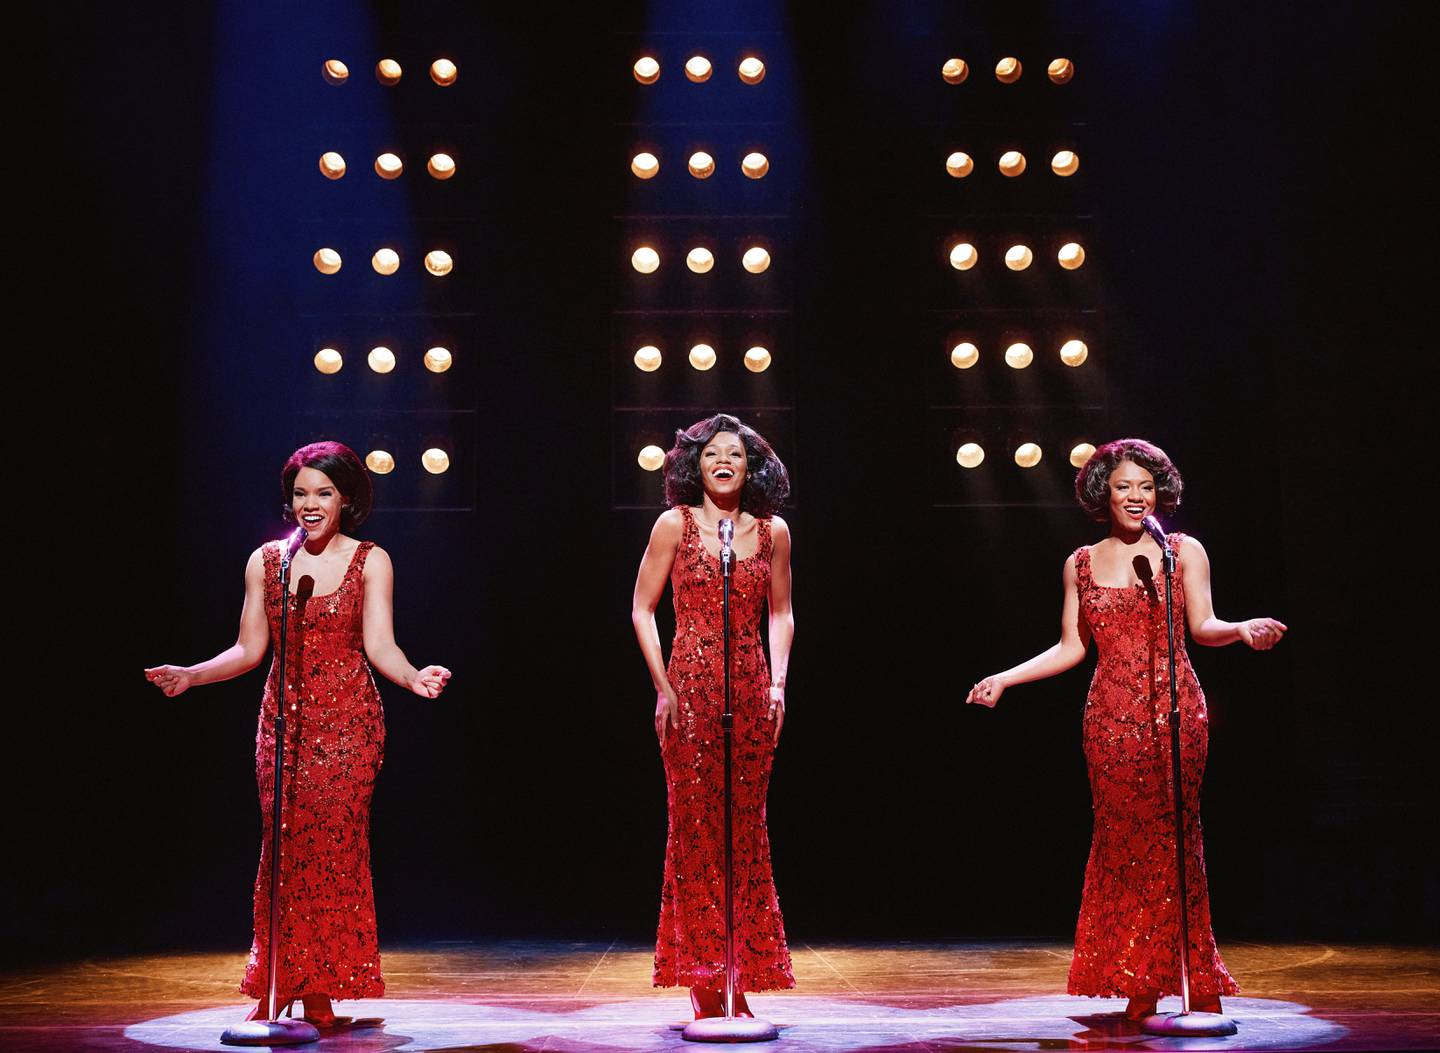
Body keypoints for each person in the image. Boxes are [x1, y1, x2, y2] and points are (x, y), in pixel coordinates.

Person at [966, 438, 1286, 1020]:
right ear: (1103, 494)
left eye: (1146, 486)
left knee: (1178, 841)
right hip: (1110, 719)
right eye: (1124, 486)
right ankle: (1141, 976)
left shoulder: (1181, 552)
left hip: (1177, 710)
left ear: (1160, 492)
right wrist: (1005, 679)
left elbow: (1204, 624)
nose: (1137, 496)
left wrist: (1240, 630)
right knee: (1125, 846)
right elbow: (1070, 647)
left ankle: (1194, 976)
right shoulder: (1080, 563)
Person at [144, 440, 450, 1027]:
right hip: (282, 726)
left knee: (332, 852)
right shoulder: (267, 561)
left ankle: (321, 989)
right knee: (283, 850)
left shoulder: (371, 560)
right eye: (302, 493)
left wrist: (415, 679)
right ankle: (277, 982)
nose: (310, 504)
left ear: (346, 499)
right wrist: (192, 675)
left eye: (324, 493)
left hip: (348, 729)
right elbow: (250, 648)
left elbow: (380, 645)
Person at [631, 413, 797, 1019]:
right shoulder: (673, 525)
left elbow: (781, 613)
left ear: (753, 467)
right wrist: (663, 685)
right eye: (712, 455)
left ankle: (740, 970)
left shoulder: (774, 531)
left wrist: (778, 683)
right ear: (693, 466)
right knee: (697, 831)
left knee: (744, 831)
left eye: (736, 454)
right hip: (690, 691)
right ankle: (704, 976)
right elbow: (642, 609)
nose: (724, 462)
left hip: (751, 689)